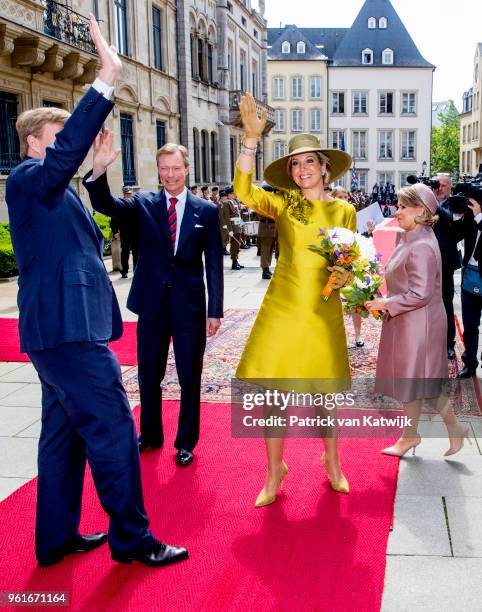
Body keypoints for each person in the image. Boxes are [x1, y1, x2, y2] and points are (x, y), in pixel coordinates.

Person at [5, 15, 187, 568]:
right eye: (58, 139)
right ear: (35, 142)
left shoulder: (55, 190)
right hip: (66, 333)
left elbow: (75, 232)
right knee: (112, 429)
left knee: (63, 437)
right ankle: (134, 539)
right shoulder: (26, 179)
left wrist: (95, 174)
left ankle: (55, 537)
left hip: (61, 331)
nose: (68, 148)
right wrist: (105, 80)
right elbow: (58, 164)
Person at [235, 93, 355, 506]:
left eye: (309, 161)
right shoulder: (284, 204)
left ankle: (333, 462)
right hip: (283, 311)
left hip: (322, 313)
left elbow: (349, 260)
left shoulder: (344, 212)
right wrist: (250, 141)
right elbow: (243, 190)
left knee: (325, 396)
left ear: (325, 168)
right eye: (295, 164)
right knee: (274, 396)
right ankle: (273, 474)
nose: (303, 169)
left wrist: (345, 274)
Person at [84, 141, 224, 467]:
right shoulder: (143, 204)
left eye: (176, 168)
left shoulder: (207, 210)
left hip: (189, 307)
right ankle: (149, 434)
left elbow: (214, 264)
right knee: (149, 374)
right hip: (151, 306)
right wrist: (100, 169)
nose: (170, 175)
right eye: (164, 169)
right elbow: (106, 204)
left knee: (190, 376)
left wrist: (214, 310)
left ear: (186, 169)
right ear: (158, 171)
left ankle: (186, 441)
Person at [366, 184, 469, 456]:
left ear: (421, 211)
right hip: (409, 318)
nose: (396, 211)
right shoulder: (410, 236)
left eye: (402, 207)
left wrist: (386, 303)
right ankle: (414, 435)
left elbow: (421, 293)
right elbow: (403, 279)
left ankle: (427, 433)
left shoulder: (421, 244)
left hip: (419, 321)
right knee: (414, 381)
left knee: (418, 381)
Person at [432, 174, 463, 359]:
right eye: (437, 184)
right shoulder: (426, 201)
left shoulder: (455, 203)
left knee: (445, 303)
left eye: (444, 185)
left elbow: (453, 223)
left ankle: (448, 343)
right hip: (424, 260)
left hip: (445, 262)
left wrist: (434, 204)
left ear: (450, 187)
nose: (440, 188)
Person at [456, 196, 482, 378]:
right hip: (470, 275)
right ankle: (470, 363)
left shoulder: (478, 215)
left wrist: (480, 217)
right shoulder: (473, 214)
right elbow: (457, 235)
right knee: (470, 324)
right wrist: (459, 216)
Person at [119, 185, 139, 278]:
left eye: (129, 194)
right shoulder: (120, 203)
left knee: (136, 252)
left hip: (135, 232)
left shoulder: (136, 203)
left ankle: (136, 270)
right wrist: (115, 231)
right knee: (125, 252)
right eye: (126, 194)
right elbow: (114, 219)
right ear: (123, 194)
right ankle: (124, 271)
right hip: (124, 232)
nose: (128, 196)